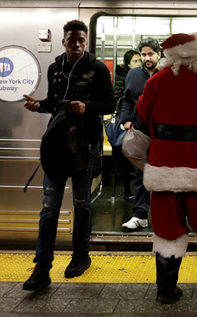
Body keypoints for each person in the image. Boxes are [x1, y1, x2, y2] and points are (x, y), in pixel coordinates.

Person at [136, 32, 197, 304]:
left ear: (171, 55)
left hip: (164, 162)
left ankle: (166, 289)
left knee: (167, 226)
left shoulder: (156, 81)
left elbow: (142, 114)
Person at [21, 19, 116, 291]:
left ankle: (81, 255)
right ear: (64, 41)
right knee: (49, 205)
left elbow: (109, 103)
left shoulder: (98, 69)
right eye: (72, 40)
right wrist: (39, 105)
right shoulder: (54, 68)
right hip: (58, 144)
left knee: (82, 202)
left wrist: (86, 106)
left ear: (86, 42)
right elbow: (54, 102)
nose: (76, 45)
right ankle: (41, 268)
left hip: (86, 145)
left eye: (81, 41)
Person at [120, 38, 163, 230]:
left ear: (159, 54)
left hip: (165, 132)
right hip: (141, 129)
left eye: (151, 54)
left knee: (167, 174)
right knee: (141, 173)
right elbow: (126, 99)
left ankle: (166, 216)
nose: (147, 58)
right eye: (144, 54)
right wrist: (126, 120)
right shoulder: (133, 74)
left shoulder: (169, 74)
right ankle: (140, 215)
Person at [113, 49, 141, 201]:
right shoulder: (121, 78)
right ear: (128, 64)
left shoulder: (144, 76)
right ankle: (126, 189)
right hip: (126, 120)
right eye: (135, 61)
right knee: (123, 154)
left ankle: (140, 191)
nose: (138, 64)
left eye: (139, 61)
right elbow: (118, 98)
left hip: (139, 121)